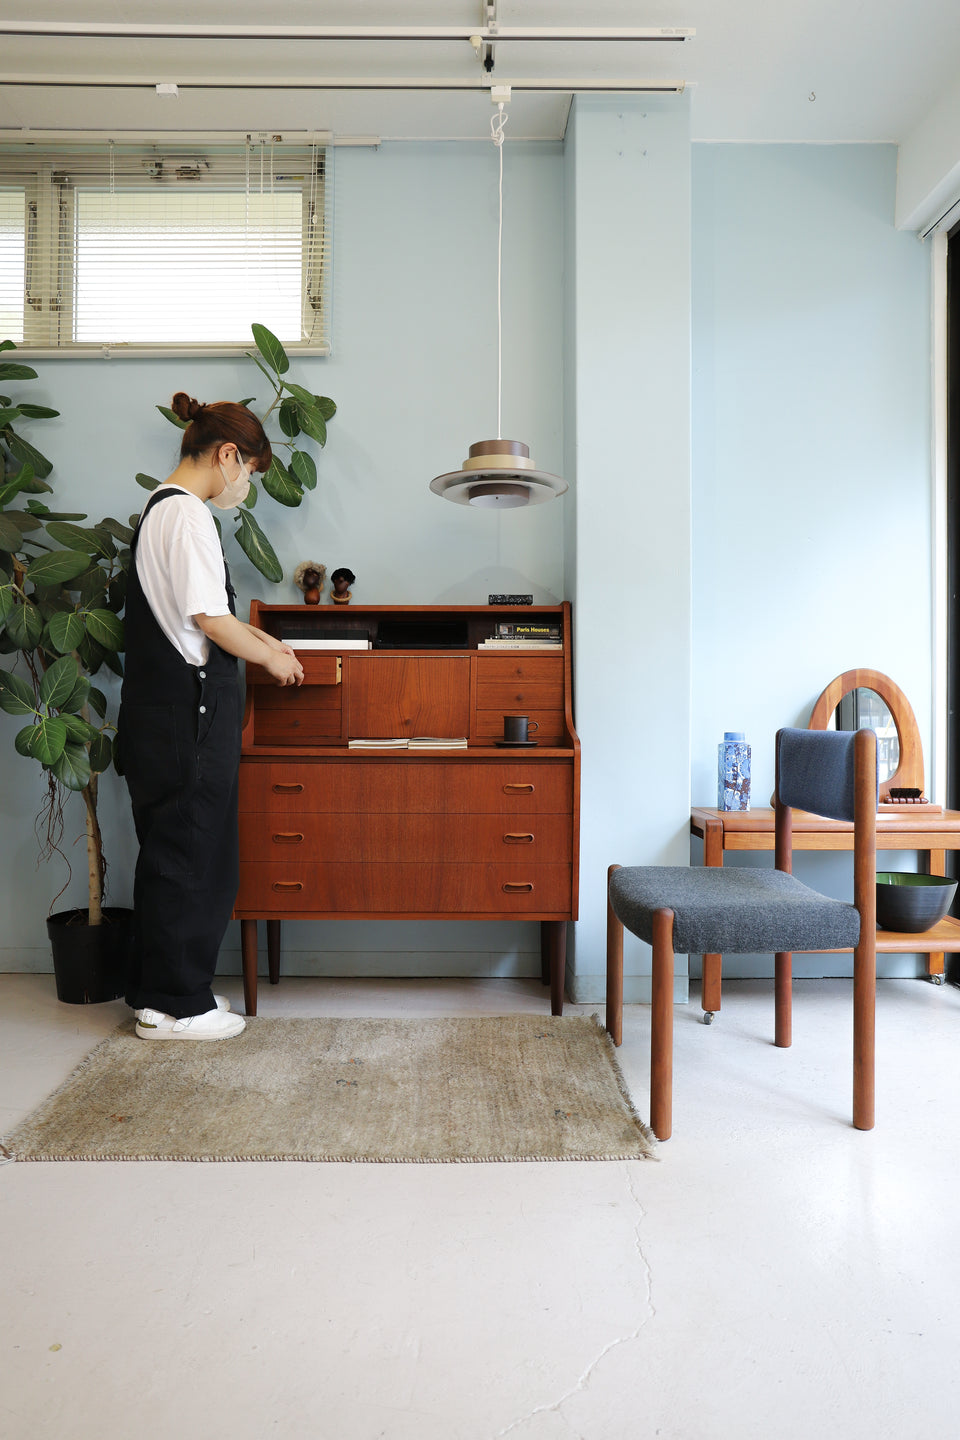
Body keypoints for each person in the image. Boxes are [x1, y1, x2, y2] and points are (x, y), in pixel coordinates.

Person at [119, 393, 304, 1041]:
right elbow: (211, 619)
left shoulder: (157, 510)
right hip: (187, 718)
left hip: (160, 715)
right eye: (249, 470)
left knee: (174, 852)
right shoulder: (190, 517)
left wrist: (268, 644)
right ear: (228, 455)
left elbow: (189, 618)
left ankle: (159, 995)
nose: (245, 485)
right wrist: (275, 658)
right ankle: (177, 1005)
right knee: (193, 857)